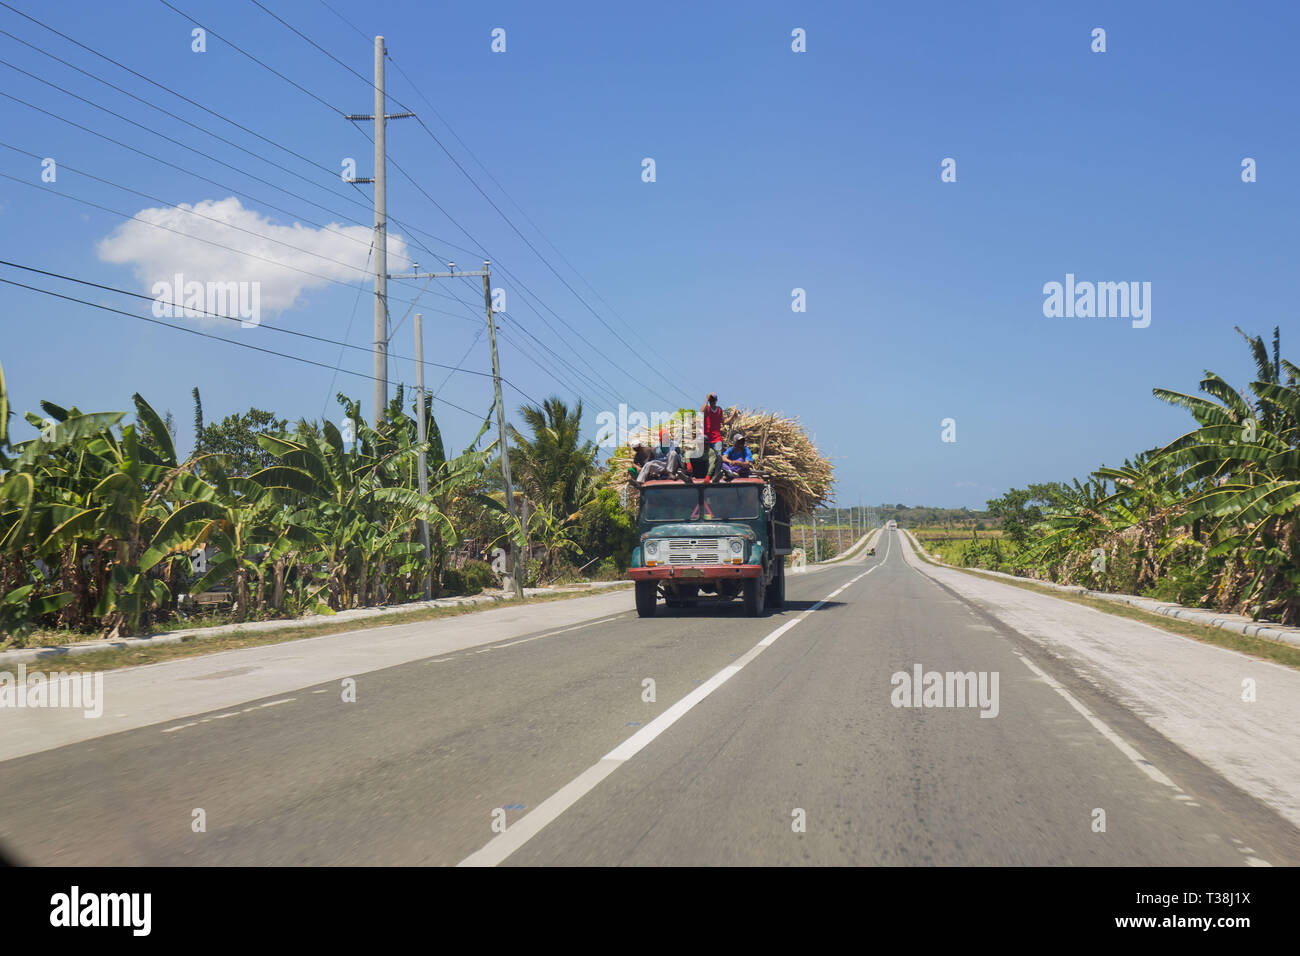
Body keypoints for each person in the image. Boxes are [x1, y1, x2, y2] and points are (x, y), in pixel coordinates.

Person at [700, 392, 738, 480]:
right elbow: (701, 412)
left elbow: (724, 421)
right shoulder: (707, 409)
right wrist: (706, 400)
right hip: (706, 437)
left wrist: (733, 416)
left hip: (716, 437)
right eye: (711, 399)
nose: (712, 401)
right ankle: (706, 473)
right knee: (707, 456)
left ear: (716, 400)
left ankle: (716, 474)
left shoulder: (719, 410)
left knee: (718, 455)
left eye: (713, 399)